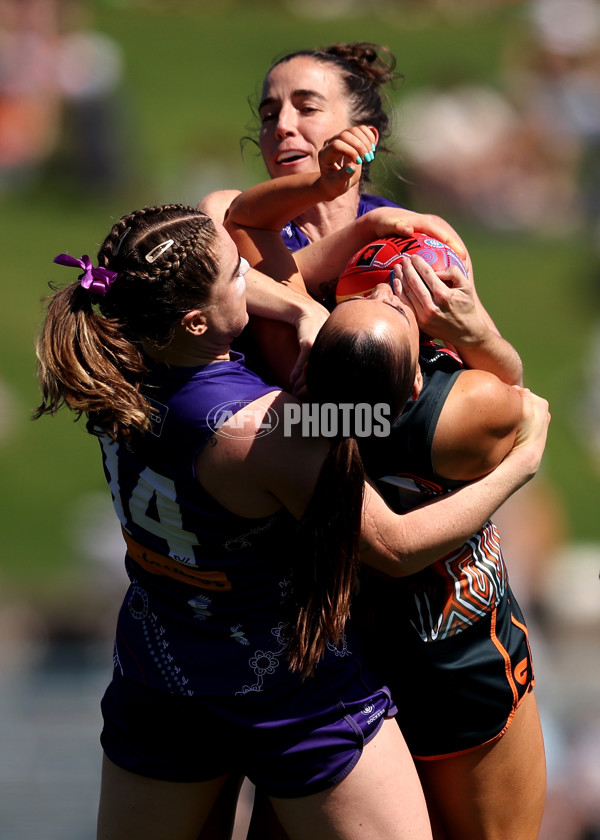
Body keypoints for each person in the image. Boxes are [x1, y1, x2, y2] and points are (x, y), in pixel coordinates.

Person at [33, 204, 549, 840]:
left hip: (160, 676)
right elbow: (391, 533)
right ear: (195, 320)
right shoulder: (266, 429)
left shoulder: (118, 362)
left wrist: (307, 305)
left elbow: (240, 271)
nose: (250, 279)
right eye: (237, 276)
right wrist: (519, 463)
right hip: (288, 689)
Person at [218, 140, 547, 837]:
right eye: (389, 303)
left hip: (340, 668)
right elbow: (522, 402)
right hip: (460, 652)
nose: (388, 289)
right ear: (421, 374)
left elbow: (236, 219)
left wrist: (312, 302)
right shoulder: (468, 411)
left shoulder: (294, 421)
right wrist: (479, 330)